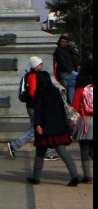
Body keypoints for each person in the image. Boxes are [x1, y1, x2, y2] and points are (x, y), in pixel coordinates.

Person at [29, 70, 80, 186]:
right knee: (63, 152)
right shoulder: (56, 91)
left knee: (40, 153)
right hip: (58, 127)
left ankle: (35, 177)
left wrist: (37, 124)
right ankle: (74, 175)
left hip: (45, 127)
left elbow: (38, 111)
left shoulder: (39, 93)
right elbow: (62, 109)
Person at [7, 56, 55, 160]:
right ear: (36, 65)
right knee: (35, 129)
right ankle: (14, 145)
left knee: (39, 128)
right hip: (35, 106)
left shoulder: (33, 75)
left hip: (33, 106)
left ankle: (46, 151)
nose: (42, 65)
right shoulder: (33, 76)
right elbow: (33, 93)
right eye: (40, 63)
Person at [72, 55, 93, 184]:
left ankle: (87, 176)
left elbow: (74, 107)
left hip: (85, 122)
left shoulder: (80, 88)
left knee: (84, 150)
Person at [53, 34, 79, 105]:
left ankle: (72, 103)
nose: (64, 43)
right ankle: (72, 103)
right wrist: (71, 71)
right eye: (62, 41)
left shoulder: (66, 50)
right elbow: (62, 63)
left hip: (68, 72)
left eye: (65, 42)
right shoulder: (60, 50)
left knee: (71, 87)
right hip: (65, 72)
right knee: (72, 86)